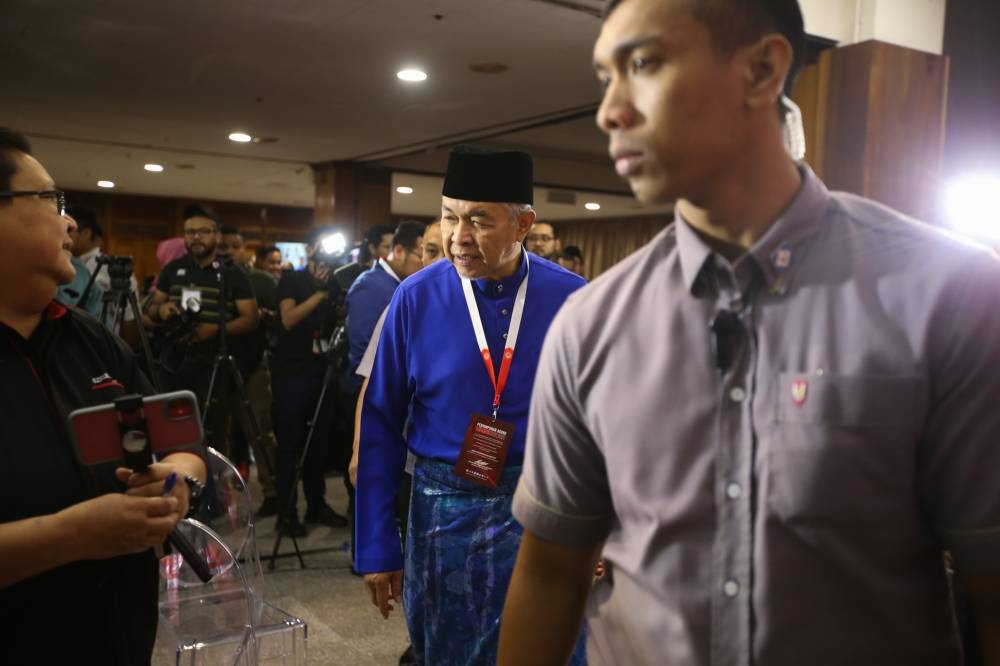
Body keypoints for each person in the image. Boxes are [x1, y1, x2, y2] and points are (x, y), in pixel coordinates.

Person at [499, 1, 1000, 665]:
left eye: (643, 64)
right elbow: (552, 571)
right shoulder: (590, 324)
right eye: (604, 77)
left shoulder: (948, 293)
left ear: (762, 71)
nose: (610, 111)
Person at [355, 147, 586, 664]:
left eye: (479, 220)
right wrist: (377, 545)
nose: (459, 237)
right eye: (449, 216)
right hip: (443, 514)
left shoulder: (575, 300)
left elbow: (610, 425)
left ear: (524, 224)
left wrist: (607, 530)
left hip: (546, 509)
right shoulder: (415, 298)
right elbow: (380, 424)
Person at [0, 127, 206, 664]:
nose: (69, 222)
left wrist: (177, 482)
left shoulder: (88, 335)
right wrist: (70, 535)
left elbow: (182, 447)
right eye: (50, 200)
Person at [144, 205, 260, 456]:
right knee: (171, 428)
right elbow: (151, 309)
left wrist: (215, 330)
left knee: (211, 431)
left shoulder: (232, 274)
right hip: (173, 360)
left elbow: (251, 319)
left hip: (214, 363)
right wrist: (162, 311)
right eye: (190, 232)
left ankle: (214, 489)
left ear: (216, 235)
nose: (196, 237)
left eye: (203, 232)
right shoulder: (173, 270)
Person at [271, 229, 350, 536]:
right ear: (310, 248)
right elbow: (288, 318)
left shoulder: (338, 282)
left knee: (319, 443)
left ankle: (317, 504)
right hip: (291, 373)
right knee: (290, 444)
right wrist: (318, 293)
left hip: (323, 372)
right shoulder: (293, 279)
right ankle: (286, 513)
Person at [217, 225, 282, 516]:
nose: (228, 251)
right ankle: (218, 496)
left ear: (244, 249)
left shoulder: (262, 281)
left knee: (260, 432)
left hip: (253, 366)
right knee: (220, 436)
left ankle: (273, 494)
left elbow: (279, 321)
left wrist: (264, 318)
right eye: (224, 246)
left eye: (234, 246)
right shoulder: (211, 278)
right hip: (215, 368)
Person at [345, 220, 425, 383]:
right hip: (371, 390)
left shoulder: (396, 284)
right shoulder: (370, 285)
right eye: (422, 255)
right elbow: (365, 353)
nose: (427, 262)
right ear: (399, 251)